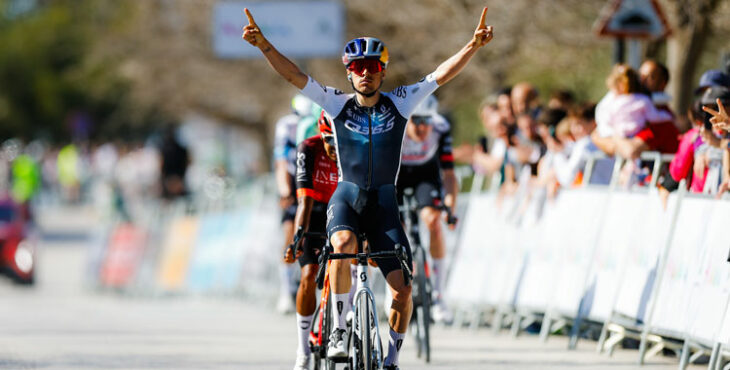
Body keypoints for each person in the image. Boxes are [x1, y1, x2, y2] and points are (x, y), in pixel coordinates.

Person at [242, 7, 493, 369]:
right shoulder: (336, 103)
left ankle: (391, 358)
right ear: (349, 72)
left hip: (383, 203)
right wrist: (264, 45)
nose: (365, 73)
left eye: (372, 66)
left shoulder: (401, 102)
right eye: (358, 67)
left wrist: (472, 45)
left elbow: (440, 76)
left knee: (404, 289)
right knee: (342, 246)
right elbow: (295, 75)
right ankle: (340, 331)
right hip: (348, 197)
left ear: (383, 71)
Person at [284, 111, 340, 370]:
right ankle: (303, 348)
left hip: (342, 211)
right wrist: (297, 239)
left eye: (340, 141)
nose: (335, 149)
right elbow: (304, 202)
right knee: (308, 274)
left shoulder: (356, 148)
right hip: (315, 211)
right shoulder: (308, 148)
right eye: (330, 141)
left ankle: (346, 315)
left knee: (350, 260)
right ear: (321, 134)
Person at [396, 95, 457, 323]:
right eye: (416, 121)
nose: (422, 127)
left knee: (433, 221)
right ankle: (393, 286)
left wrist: (450, 206)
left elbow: (449, 174)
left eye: (426, 121)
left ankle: (440, 297)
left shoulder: (440, 128)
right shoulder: (396, 126)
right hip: (397, 175)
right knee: (393, 228)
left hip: (425, 174)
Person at [273, 94, 313, 314]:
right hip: (291, 177)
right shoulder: (285, 126)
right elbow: (280, 162)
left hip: (313, 177)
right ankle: (285, 289)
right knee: (289, 231)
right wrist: (285, 190)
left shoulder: (318, 121)